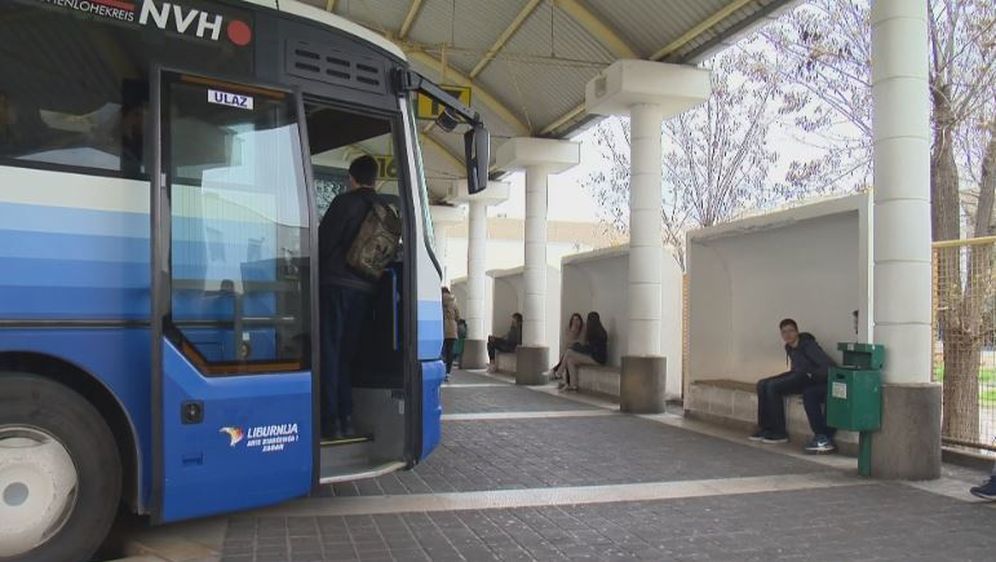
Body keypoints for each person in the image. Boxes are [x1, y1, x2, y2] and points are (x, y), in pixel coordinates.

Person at [318, 155, 381, 440]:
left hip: (336, 286)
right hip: (365, 290)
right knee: (346, 356)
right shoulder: (382, 208)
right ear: (375, 179)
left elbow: (324, 242)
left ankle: (331, 421)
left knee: (329, 352)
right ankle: (346, 416)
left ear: (351, 178)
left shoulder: (344, 203)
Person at [750, 318, 837, 453]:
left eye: (791, 331)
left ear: (797, 332)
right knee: (762, 384)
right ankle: (766, 428)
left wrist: (811, 374)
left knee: (773, 386)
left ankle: (779, 432)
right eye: (784, 332)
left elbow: (828, 366)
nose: (788, 335)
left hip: (810, 379)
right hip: (797, 375)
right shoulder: (789, 347)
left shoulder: (808, 345)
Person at [556, 312, 608, 391]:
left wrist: (580, 348)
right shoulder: (594, 331)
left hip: (597, 359)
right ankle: (573, 385)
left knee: (569, 352)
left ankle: (559, 371)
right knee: (570, 360)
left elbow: (592, 349)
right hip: (593, 356)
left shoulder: (600, 334)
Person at [551, 313, 584, 380]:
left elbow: (582, 342)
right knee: (568, 356)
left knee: (568, 352)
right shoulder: (569, 328)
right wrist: (573, 331)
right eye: (574, 320)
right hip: (570, 350)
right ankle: (559, 372)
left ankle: (558, 370)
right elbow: (567, 343)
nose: (575, 322)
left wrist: (574, 342)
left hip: (580, 351)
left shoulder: (583, 329)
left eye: (577, 320)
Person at [441, 287, 460, 381]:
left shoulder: (439, 300)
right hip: (452, 329)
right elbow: (458, 316)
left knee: (440, 351)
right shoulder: (453, 302)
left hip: (440, 327)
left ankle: (440, 371)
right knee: (450, 351)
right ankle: (447, 373)